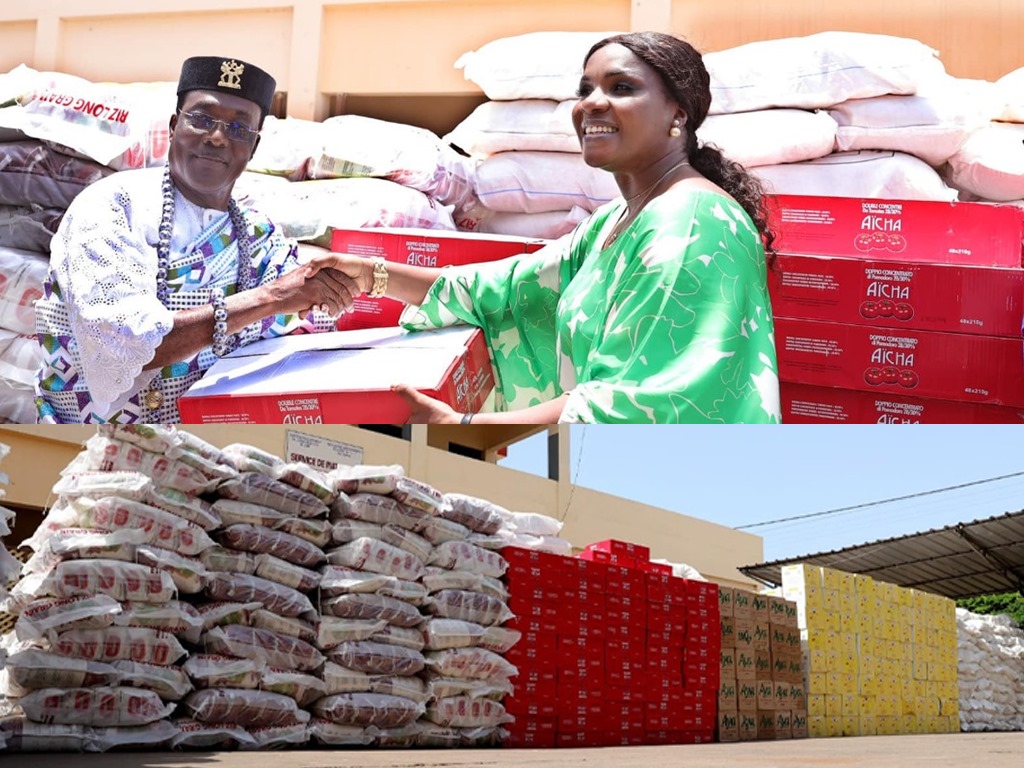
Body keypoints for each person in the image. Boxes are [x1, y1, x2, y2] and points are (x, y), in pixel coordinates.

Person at [313, 32, 781, 424]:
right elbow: (506, 288)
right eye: (586, 89)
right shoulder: (616, 221)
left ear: (678, 114)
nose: (592, 104)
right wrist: (370, 275)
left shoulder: (689, 226)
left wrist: (462, 427)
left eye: (621, 88)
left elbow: (640, 405)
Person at [34, 56, 356, 423]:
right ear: (174, 126)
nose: (217, 137)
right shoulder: (112, 205)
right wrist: (270, 299)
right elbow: (121, 341)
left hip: (204, 452)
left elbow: (311, 312)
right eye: (202, 119)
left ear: (252, 147)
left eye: (239, 129)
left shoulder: (259, 235)